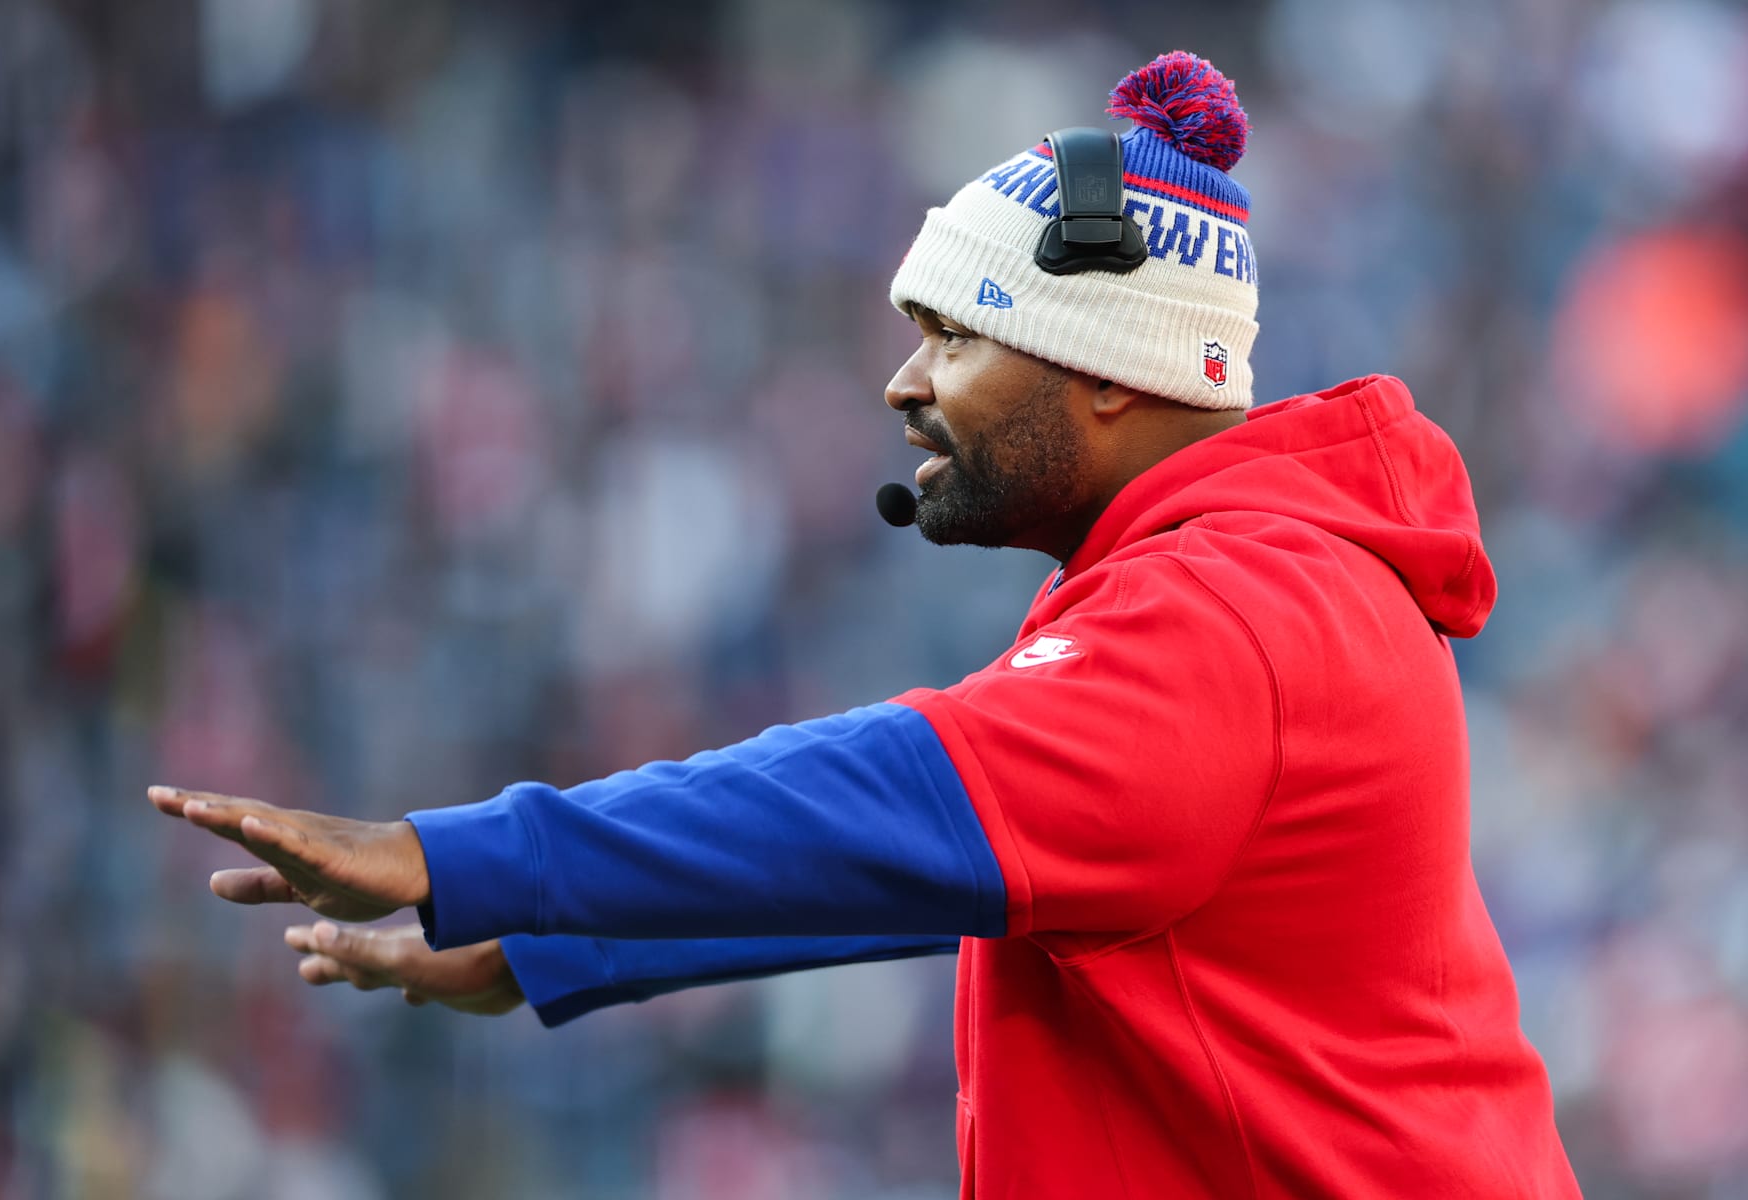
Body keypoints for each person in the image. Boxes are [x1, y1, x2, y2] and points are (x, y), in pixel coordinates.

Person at [151, 52, 1580, 1198]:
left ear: (1106, 374)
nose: (904, 385)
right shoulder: (1248, 578)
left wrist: (463, 855)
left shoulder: (1233, 611)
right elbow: (938, 871)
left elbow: (895, 805)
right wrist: (564, 940)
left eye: (955, 334)